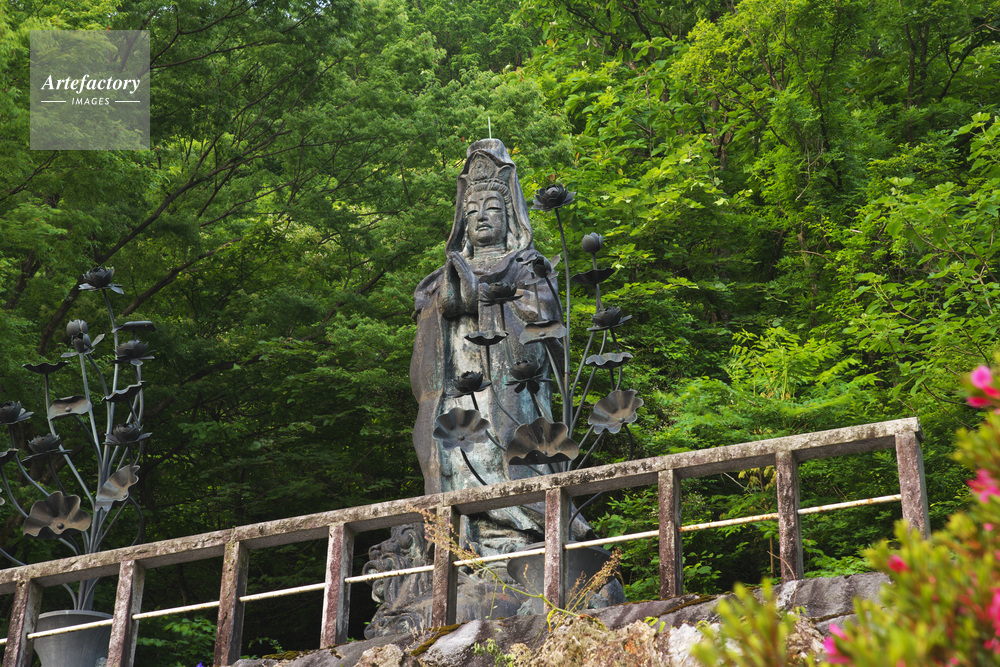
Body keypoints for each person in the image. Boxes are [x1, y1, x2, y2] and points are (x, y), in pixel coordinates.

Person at [411, 139, 562, 556]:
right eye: (473, 210)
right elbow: (426, 355)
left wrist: (482, 297)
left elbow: (542, 323)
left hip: (507, 395)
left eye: (492, 208)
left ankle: (520, 532)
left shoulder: (528, 267)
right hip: (457, 393)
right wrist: (446, 302)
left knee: (504, 453)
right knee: (455, 457)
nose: (481, 216)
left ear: (509, 216)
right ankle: (463, 540)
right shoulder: (441, 277)